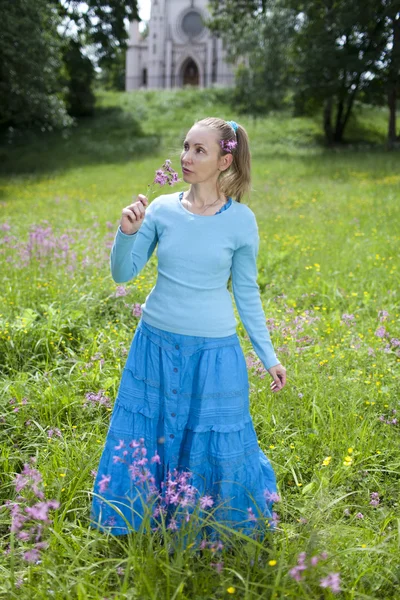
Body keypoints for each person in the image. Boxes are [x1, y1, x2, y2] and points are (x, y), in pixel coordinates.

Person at [89, 117, 287, 542]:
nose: (186, 157)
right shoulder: (159, 209)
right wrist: (126, 233)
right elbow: (123, 274)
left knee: (207, 438)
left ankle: (203, 524)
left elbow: (247, 293)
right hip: (155, 343)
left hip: (214, 353)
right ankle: (146, 517)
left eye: (200, 150)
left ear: (224, 160)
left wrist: (268, 356)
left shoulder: (241, 222)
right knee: (151, 431)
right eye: (185, 147)